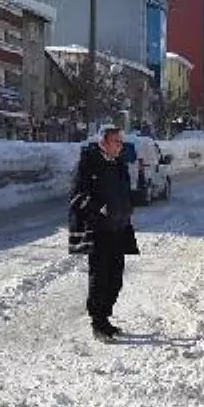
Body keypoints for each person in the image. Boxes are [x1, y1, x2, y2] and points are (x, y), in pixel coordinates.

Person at [69, 125, 139, 342]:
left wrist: (126, 208)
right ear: (104, 143)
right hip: (98, 230)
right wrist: (100, 207)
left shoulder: (119, 164)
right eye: (117, 141)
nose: (121, 145)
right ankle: (97, 323)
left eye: (121, 141)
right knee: (100, 278)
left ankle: (106, 320)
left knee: (116, 279)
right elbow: (77, 195)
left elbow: (125, 190)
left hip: (118, 228)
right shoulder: (89, 163)